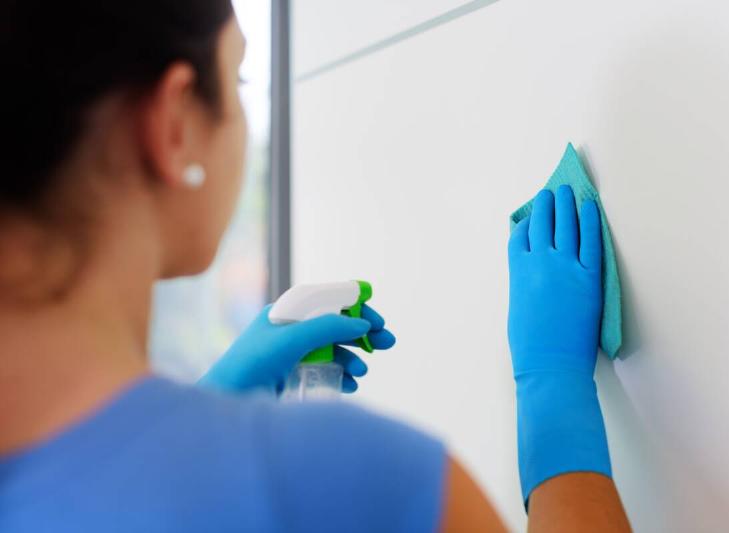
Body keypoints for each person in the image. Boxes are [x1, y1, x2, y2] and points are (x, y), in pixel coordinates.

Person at [0, 1, 631, 531]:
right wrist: (552, 389)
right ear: (174, 126)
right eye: (241, 78)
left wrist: (201, 410)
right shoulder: (342, 478)